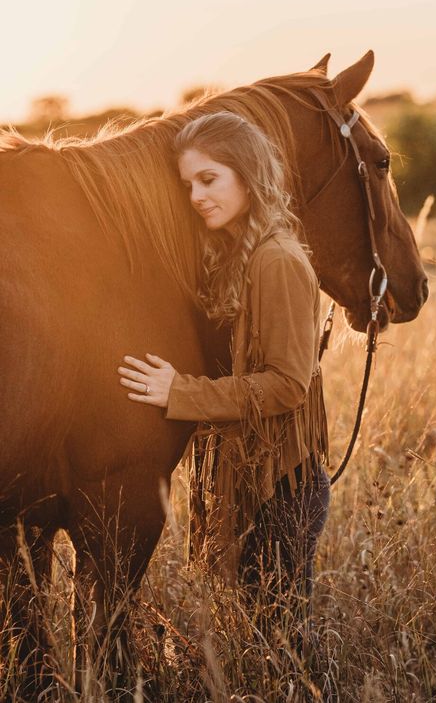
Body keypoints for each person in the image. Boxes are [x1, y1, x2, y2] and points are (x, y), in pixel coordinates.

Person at [117, 111, 330, 637]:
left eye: (209, 179)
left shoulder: (276, 260)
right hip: (256, 478)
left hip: (284, 483)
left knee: (277, 643)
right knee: (252, 638)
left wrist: (179, 392)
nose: (196, 196)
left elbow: (287, 384)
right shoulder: (235, 253)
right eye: (188, 184)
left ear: (249, 174)